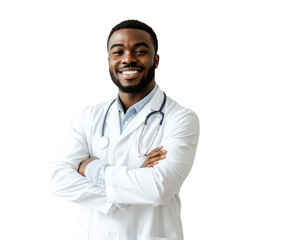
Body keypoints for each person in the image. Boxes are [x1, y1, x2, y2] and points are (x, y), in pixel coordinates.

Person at [50, 19, 200, 240]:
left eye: (139, 51)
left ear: (155, 60)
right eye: (118, 52)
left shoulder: (181, 119)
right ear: (110, 60)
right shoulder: (89, 116)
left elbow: (159, 188)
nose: (128, 59)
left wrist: (91, 169)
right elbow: (58, 179)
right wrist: (131, 181)